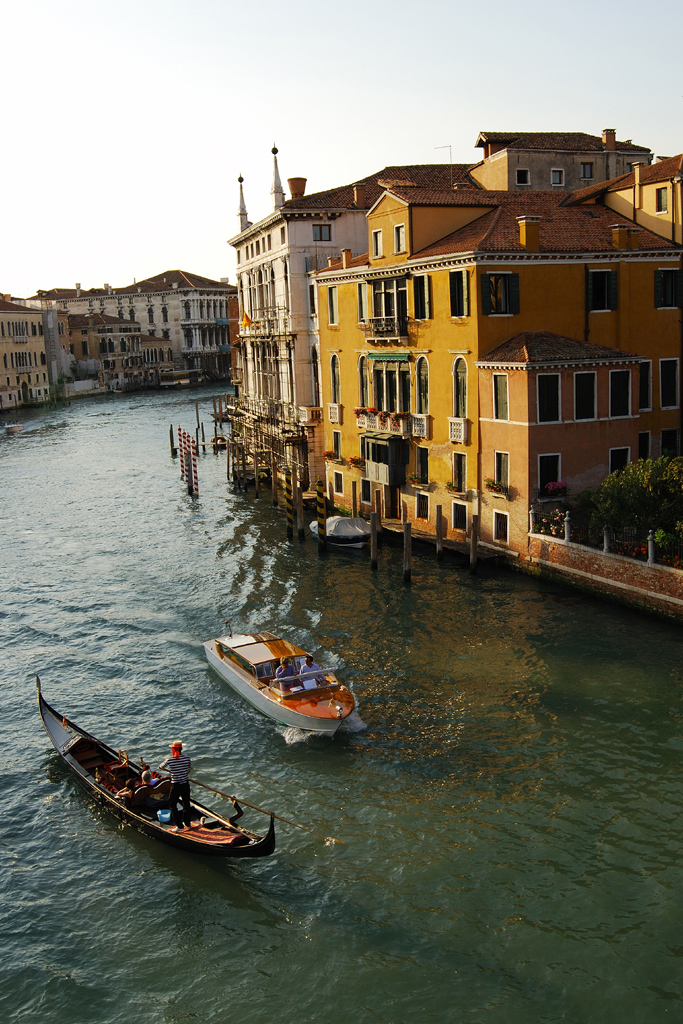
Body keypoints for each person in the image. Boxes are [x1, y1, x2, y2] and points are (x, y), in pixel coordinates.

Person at [158, 740, 193, 830]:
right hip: (185, 784)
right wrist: (183, 772)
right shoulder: (187, 758)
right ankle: (187, 824)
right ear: (181, 749)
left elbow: (161, 767)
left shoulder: (169, 760)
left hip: (176, 785)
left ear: (173, 749)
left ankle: (179, 826)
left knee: (172, 804)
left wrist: (174, 771)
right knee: (186, 803)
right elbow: (189, 769)